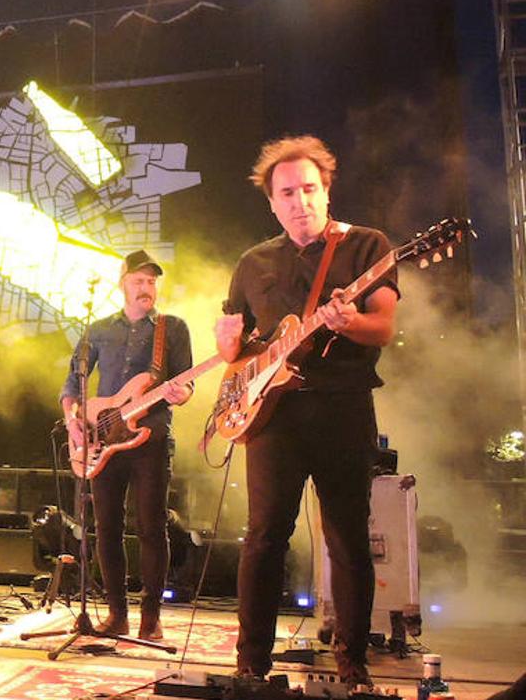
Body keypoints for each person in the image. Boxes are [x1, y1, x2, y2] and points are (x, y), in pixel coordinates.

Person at [214, 135, 398, 686]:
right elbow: (239, 350)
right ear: (272, 203)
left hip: (343, 409)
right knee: (264, 536)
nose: (301, 201)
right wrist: (228, 348)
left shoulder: (365, 246)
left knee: (348, 538)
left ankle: (352, 663)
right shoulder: (253, 263)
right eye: (288, 193)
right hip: (275, 418)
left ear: (327, 190)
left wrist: (350, 322)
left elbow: (383, 327)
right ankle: (251, 663)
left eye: (310, 189)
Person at [60, 250, 193, 641]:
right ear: (123, 285)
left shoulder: (172, 328)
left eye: (151, 281)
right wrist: (73, 422)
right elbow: (72, 385)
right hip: (104, 440)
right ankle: (117, 614)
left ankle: (151, 617)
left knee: (152, 527)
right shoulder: (99, 329)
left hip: (151, 439)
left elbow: (186, 383)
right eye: (139, 281)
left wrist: (182, 392)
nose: (146, 287)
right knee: (107, 528)